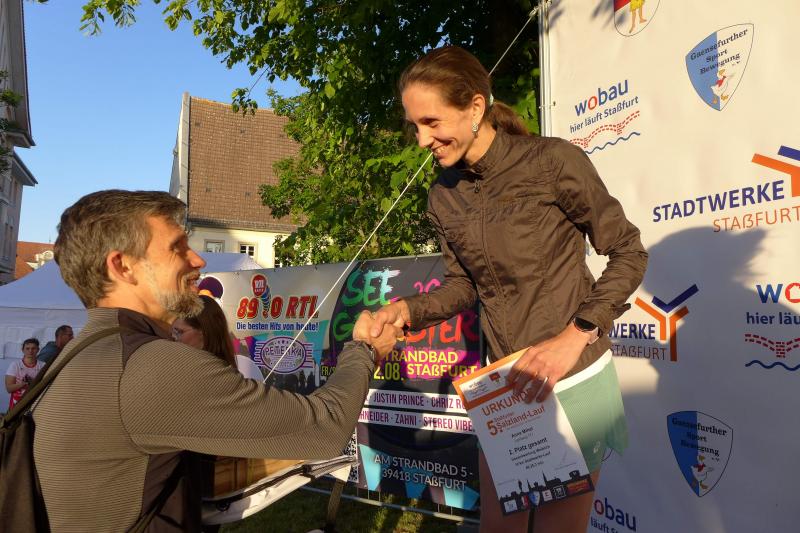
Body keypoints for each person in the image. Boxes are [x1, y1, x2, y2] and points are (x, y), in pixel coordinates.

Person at [371, 46, 648, 533]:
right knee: (500, 527)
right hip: (506, 383)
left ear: (475, 107)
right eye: (414, 126)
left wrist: (574, 336)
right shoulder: (443, 195)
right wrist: (408, 310)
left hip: (573, 374)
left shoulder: (552, 161)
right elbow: (463, 286)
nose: (422, 140)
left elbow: (628, 251)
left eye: (431, 122)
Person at [32, 190, 401, 532]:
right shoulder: (150, 365)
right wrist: (364, 350)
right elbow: (326, 427)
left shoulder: (72, 358)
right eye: (177, 247)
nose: (198, 259)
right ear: (123, 266)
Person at [171, 295, 262, 379]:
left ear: (204, 331)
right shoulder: (174, 366)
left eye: (179, 332)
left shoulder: (242, 370)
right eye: (174, 332)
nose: (174, 338)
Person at [5, 338, 45, 409]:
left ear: (38, 350)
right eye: (27, 348)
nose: (30, 351)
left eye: (33, 348)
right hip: (18, 403)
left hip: (36, 402)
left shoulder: (43, 365)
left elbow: (45, 385)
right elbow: (9, 388)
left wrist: (32, 383)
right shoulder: (15, 365)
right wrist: (23, 384)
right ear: (23, 350)